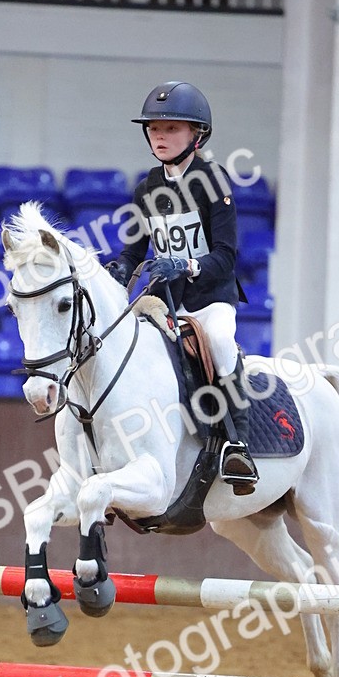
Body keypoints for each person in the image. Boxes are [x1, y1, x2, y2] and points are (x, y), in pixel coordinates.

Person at [107, 80, 258, 492]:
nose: (160, 135)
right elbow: (134, 251)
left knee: (223, 343)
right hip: (164, 301)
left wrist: (187, 264)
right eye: (154, 128)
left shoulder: (214, 180)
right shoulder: (147, 189)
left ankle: (237, 446)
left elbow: (226, 256)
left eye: (171, 128)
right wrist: (120, 270)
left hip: (209, 298)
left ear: (197, 135)